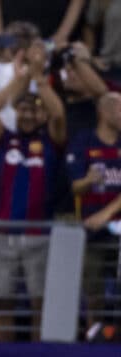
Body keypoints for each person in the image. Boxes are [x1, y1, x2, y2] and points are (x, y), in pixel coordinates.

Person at [0, 55, 67, 342]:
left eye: (34, 110)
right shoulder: (4, 140)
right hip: (2, 232)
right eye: (23, 109)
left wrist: (39, 80)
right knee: (2, 299)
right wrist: (18, 82)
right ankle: (6, 352)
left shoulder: (51, 140)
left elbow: (58, 115)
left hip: (39, 233)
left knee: (38, 301)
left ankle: (37, 350)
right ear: (16, 111)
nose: (28, 114)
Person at [67, 91, 121, 338]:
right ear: (104, 112)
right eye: (119, 108)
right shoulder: (84, 141)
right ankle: (92, 338)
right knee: (94, 293)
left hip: (114, 228)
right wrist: (88, 180)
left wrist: (107, 213)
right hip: (92, 233)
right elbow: (75, 186)